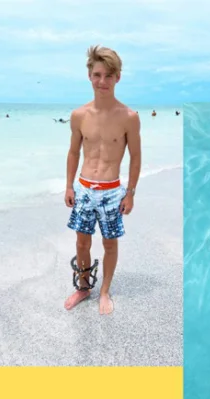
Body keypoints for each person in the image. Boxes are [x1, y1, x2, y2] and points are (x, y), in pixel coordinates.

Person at [64, 45, 141, 315]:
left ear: (118, 77)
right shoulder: (79, 115)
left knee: (110, 243)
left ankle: (105, 291)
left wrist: (130, 193)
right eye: (97, 75)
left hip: (111, 191)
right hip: (84, 189)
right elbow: (73, 152)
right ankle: (84, 287)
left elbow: (135, 157)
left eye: (109, 76)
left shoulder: (129, 117)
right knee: (82, 242)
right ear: (89, 75)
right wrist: (68, 186)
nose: (102, 81)